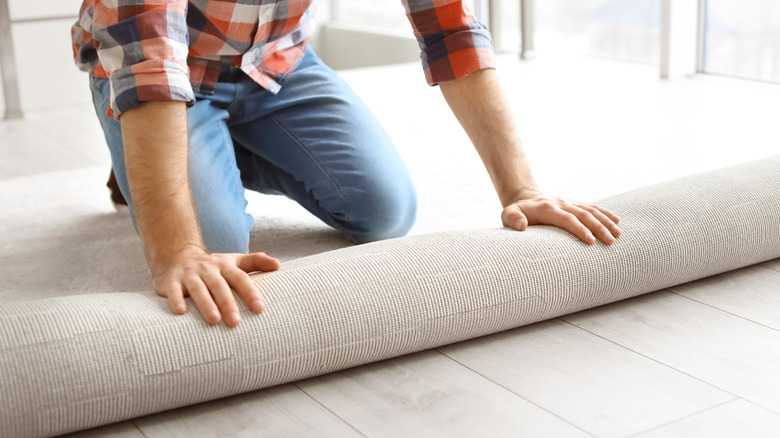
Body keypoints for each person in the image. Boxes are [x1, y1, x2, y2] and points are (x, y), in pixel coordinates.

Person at [72, 0, 621, 328]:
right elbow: (148, 62)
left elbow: (450, 29)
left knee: (385, 210)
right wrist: (178, 249)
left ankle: (180, 156)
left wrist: (521, 190)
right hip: (163, 68)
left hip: (276, 59)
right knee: (214, 245)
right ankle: (142, 154)